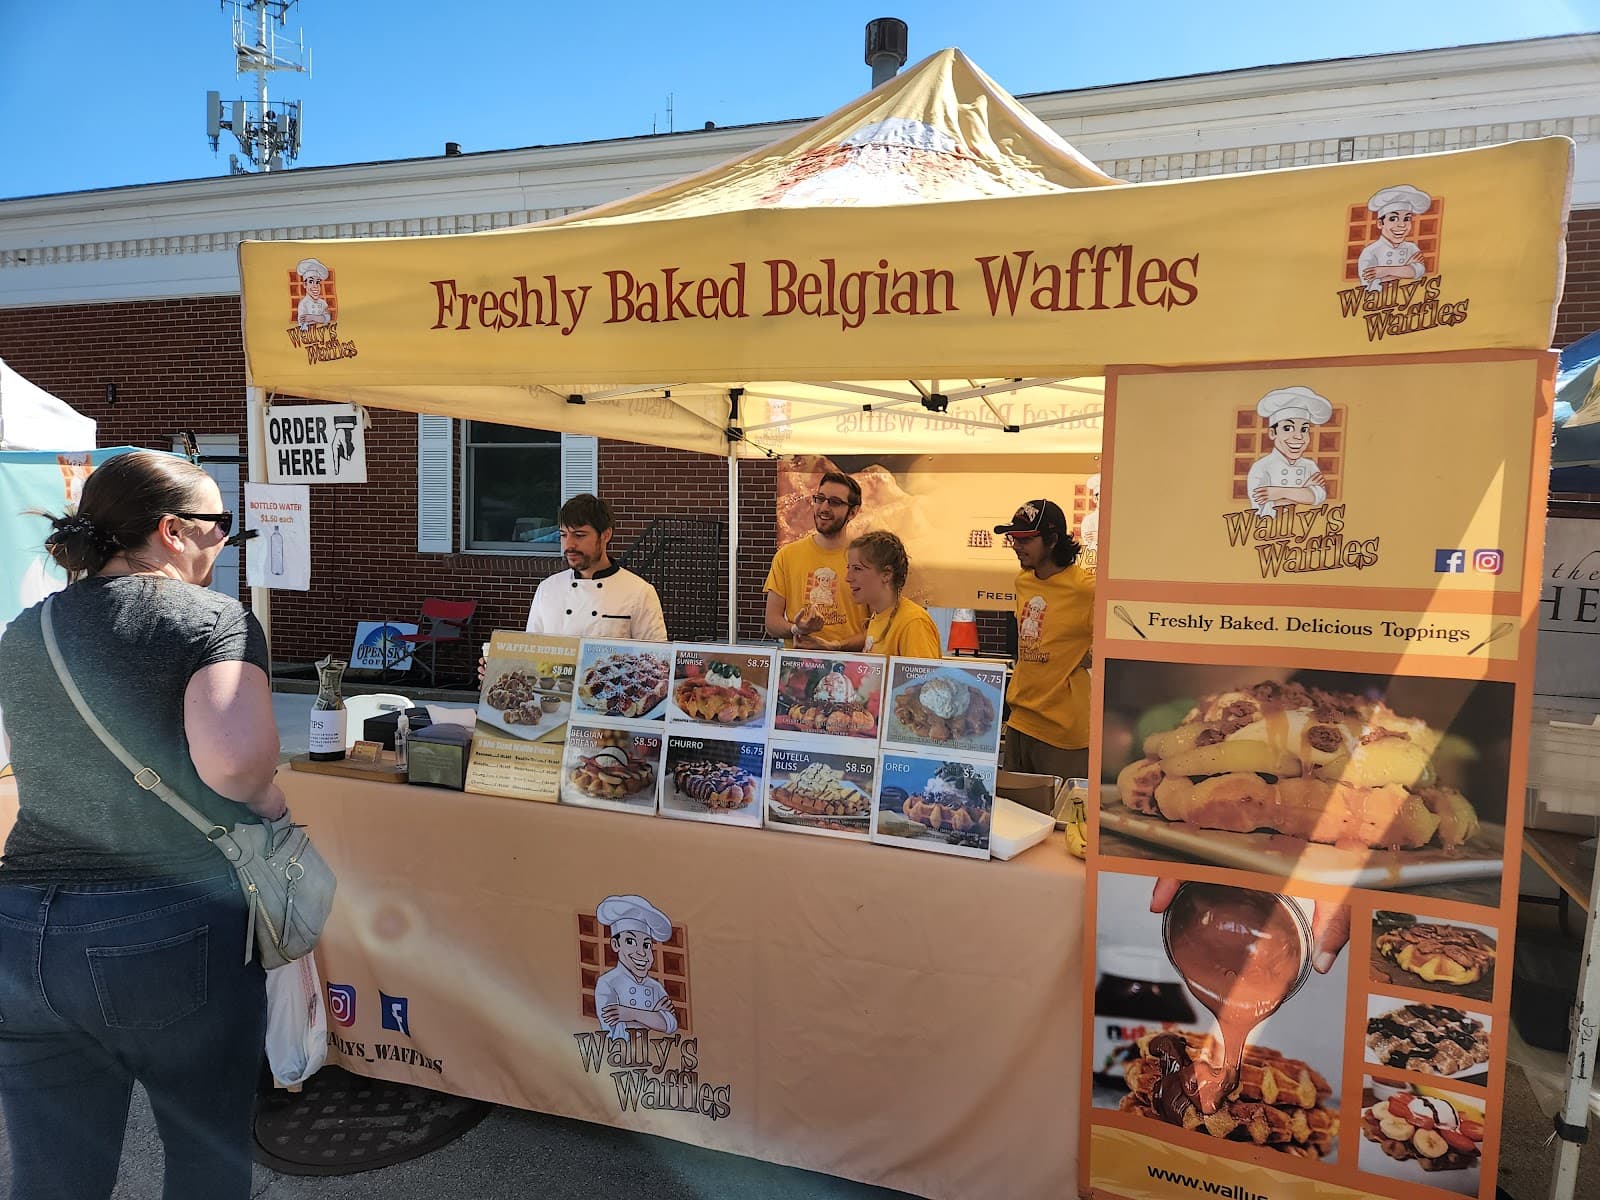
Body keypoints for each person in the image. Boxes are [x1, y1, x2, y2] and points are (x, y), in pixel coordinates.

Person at [0, 449, 286, 1200]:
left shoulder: (28, 629)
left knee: (53, 1176)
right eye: (219, 526)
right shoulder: (213, 619)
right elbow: (237, 769)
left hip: (23, 924)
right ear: (171, 530)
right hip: (167, 919)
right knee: (204, 1157)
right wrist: (277, 814)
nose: (225, 541)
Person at [478, 493, 666, 681]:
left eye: (579, 535)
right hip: (555, 700)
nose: (569, 544)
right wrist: (497, 672)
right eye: (563, 535)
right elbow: (531, 657)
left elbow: (657, 664)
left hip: (610, 704)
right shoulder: (547, 589)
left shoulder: (640, 592)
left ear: (606, 535)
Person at [995, 499, 1095, 781]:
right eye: (1014, 538)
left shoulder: (1087, 589)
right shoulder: (1023, 580)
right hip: (1019, 721)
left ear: (1052, 540)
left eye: (1026, 539)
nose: (1016, 545)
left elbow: (1113, 642)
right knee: (1016, 818)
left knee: (1062, 820)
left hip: (1063, 733)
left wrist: (1080, 657)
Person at [763, 469, 868, 650]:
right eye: (820, 499)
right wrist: (797, 629)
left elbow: (878, 629)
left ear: (853, 512)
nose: (824, 508)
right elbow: (772, 623)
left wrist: (835, 646)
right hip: (798, 668)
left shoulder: (867, 559)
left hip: (850, 668)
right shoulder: (787, 555)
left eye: (835, 502)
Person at [593, 894, 678, 1041]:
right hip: (620, 1059)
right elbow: (615, 1035)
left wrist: (631, 1014)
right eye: (631, 941)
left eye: (646, 945)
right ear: (616, 944)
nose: (641, 952)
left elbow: (670, 1025)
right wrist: (653, 1015)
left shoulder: (656, 986)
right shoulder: (607, 983)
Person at [846, 531, 942, 658]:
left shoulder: (913, 623)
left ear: (886, 574)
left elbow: (924, 677)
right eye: (849, 568)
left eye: (857, 569)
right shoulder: (878, 616)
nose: (848, 578)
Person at [1247, 386, 1333, 516]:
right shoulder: (1261, 467)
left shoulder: (1310, 466)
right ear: (1272, 433)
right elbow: (1263, 513)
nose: (1298, 436)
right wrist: (1303, 491)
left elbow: (1318, 497)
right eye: (1288, 428)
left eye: (1304, 430)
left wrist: (1280, 493)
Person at [1358, 185, 1431, 292]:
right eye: (1393, 219)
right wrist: (1406, 270)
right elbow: (1370, 288)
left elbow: (1419, 272)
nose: (1402, 225)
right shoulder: (1370, 252)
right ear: (1380, 223)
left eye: (1407, 218)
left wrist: (1385, 271)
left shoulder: (1412, 248)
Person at [294, 257, 332, 329]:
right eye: (311, 282)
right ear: (305, 285)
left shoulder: (323, 303)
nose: (315, 286)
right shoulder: (303, 304)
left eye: (317, 282)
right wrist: (321, 318)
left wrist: (312, 317)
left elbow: (327, 318)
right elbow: (302, 326)